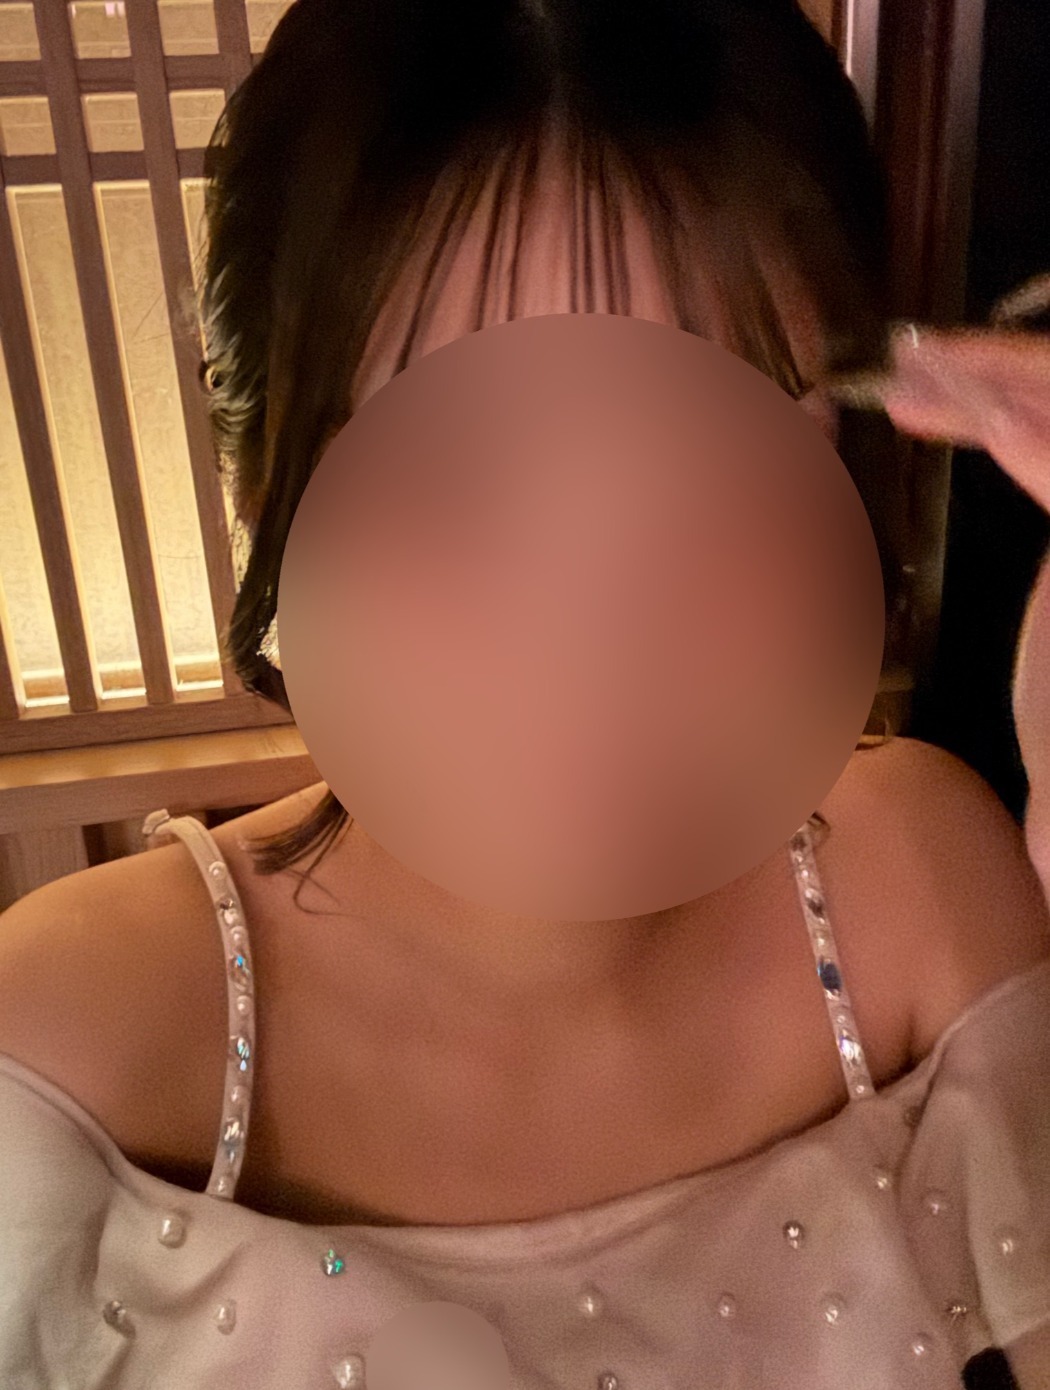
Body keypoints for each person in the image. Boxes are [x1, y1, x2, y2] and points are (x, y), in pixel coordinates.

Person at [0, 3, 1048, 1388]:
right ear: (269, 490)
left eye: (721, 461)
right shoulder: (68, 1044)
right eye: (457, 473)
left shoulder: (919, 883)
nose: (595, 624)